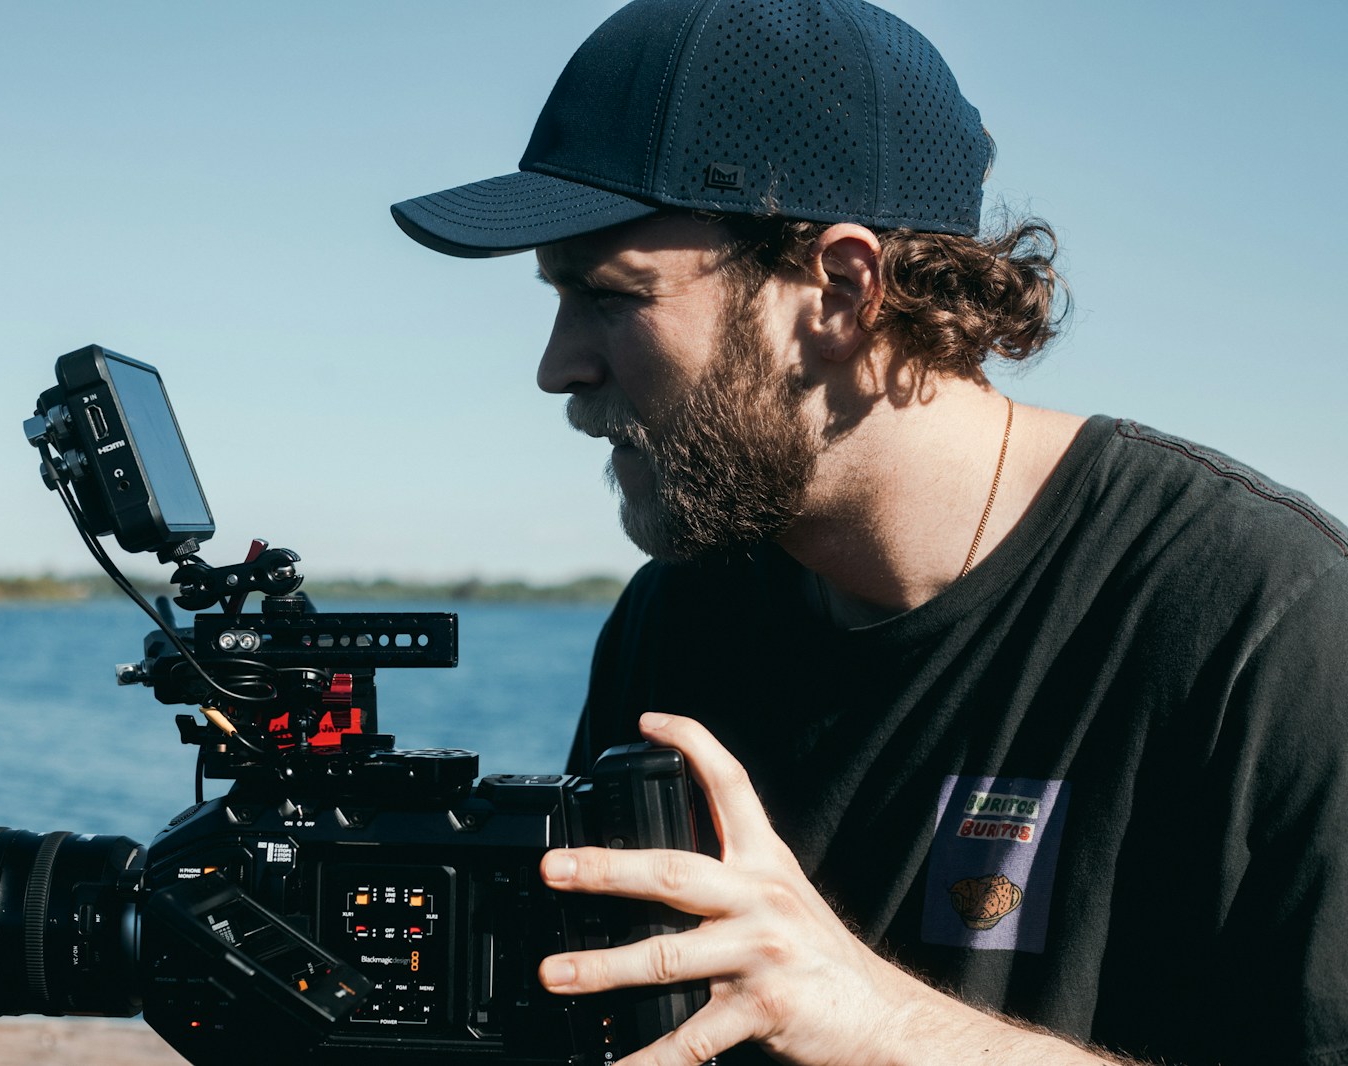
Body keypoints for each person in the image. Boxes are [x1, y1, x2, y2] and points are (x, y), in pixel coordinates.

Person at [390, 1, 1348, 1064]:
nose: (557, 365)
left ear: (840, 290)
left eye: (613, 297)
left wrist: (881, 1021)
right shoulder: (682, 614)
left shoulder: (1272, 624)